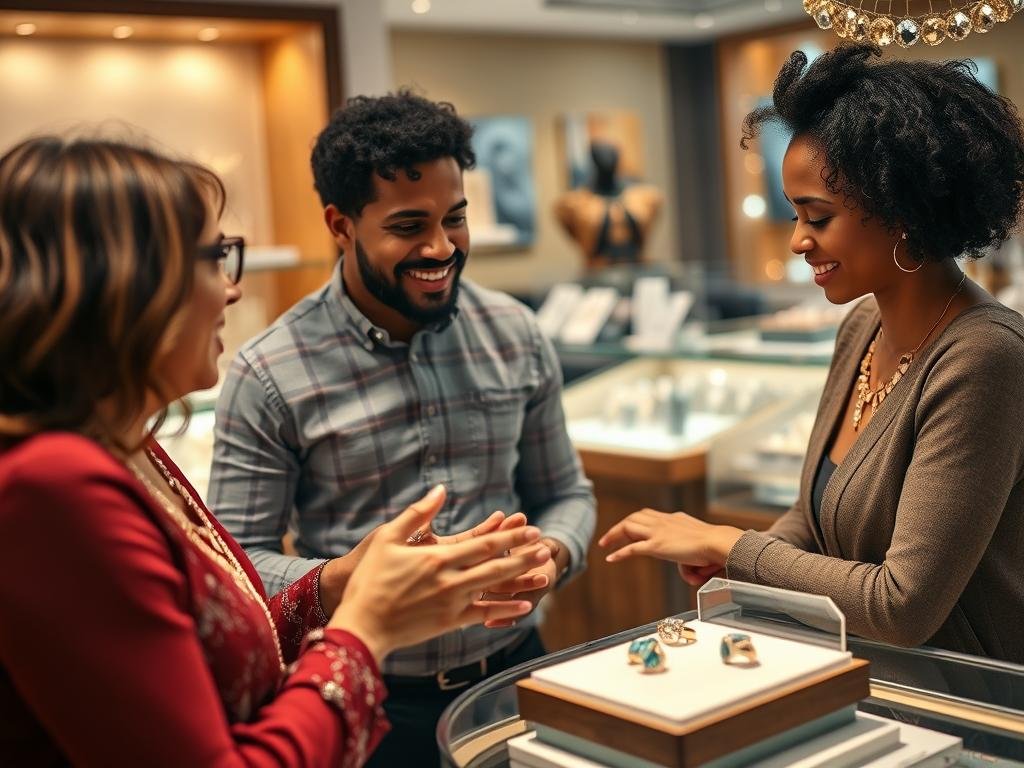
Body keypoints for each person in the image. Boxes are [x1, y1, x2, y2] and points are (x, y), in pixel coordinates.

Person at [0, 135, 552, 767]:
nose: (232, 291)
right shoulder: (53, 485)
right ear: (125, 284)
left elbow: (231, 632)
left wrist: (345, 581)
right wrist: (367, 629)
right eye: (214, 258)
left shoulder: (125, 447)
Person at [599, 44, 1024, 664]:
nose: (798, 239)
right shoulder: (862, 327)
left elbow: (901, 606)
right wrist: (739, 563)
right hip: (863, 678)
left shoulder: (983, 358)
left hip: (967, 708)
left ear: (901, 212)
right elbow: (813, 513)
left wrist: (733, 548)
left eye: (817, 217)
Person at [208, 91, 596, 765]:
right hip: (371, 701)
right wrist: (347, 578)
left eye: (456, 219)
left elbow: (568, 494)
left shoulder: (515, 333)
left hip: (519, 677)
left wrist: (551, 556)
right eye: (410, 226)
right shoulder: (268, 371)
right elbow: (234, 568)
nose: (441, 248)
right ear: (341, 224)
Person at [554, 140, 662, 271]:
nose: (607, 160)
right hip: (597, 272)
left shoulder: (644, 197)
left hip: (637, 269)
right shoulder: (576, 203)